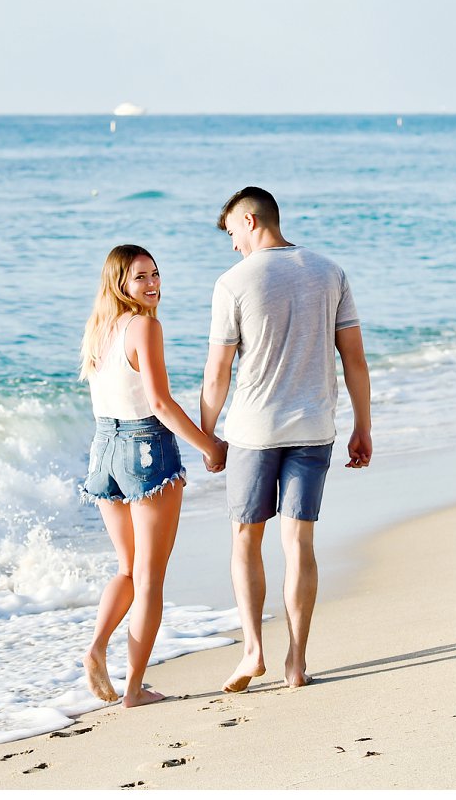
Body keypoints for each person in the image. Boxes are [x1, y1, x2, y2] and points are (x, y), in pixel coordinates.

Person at [200, 187, 372, 692]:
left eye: (232, 233)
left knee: (245, 539)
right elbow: (355, 359)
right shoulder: (329, 271)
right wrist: (364, 426)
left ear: (251, 221)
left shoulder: (233, 283)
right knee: (299, 542)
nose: (232, 245)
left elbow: (217, 373)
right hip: (315, 428)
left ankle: (253, 649)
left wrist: (208, 435)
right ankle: (296, 661)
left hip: (254, 432)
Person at [77, 244, 226, 708]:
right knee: (150, 578)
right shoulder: (145, 326)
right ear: (119, 282)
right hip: (144, 447)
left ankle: (98, 646)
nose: (153, 284)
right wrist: (210, 444)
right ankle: (134, 689)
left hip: (103, 449)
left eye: (156, 274)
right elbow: (159, 403)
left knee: (127, 567)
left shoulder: (99, 329)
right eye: (141, 277)